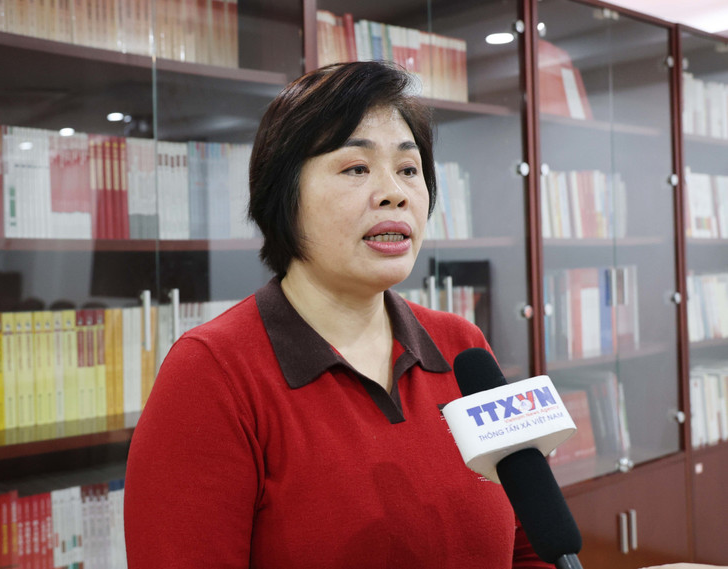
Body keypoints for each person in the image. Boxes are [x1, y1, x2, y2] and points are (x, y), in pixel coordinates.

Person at [124, 61, 554, 568]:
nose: (394, 192)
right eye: (356, 168)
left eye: (409, 169)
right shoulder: (212, 373)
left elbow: (533, 549)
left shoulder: (462, 346)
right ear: (284, 195)